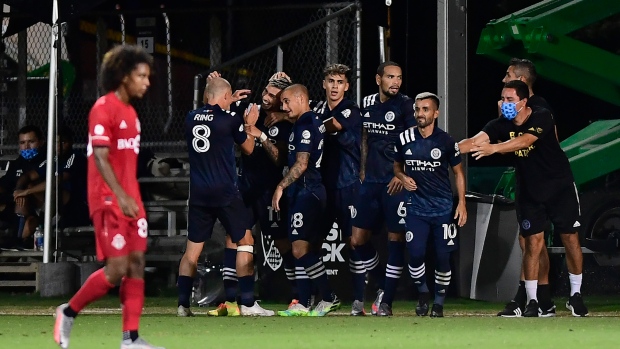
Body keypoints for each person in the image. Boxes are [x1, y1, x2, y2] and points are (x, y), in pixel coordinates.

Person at [53, 45, 164, 349]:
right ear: (124, 76)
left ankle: (130, 339)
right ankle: (68, 311)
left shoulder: (132, 113)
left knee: (138, 262)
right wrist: (120, 196)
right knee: (117, 269)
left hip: (131, 199)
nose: (147, 82)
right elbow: (101, 159)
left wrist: (132, 197)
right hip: (107, 199)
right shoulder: (103, 108)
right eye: (141, 75)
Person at [458, 80, 588, 317]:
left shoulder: (542, 116)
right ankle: (532, 301)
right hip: (529, 191)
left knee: (570, 238)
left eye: (509, 100)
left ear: (523, 102)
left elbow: (526, 141)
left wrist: (495, 149)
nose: (504, 104)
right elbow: (476, 141)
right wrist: (446, 149)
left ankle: (576, 295)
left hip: (559, 188)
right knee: (532, 244)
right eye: (502, 99)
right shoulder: (500, 125)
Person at [176, 76, 275, 317]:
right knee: (245, 241)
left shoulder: (191, 117)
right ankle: (249, 303)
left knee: (192, 251)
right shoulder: (230, 119)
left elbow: (210, 103)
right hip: (225, 193)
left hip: (199, 195)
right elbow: (249, 149)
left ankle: (182, 305)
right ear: (224, 98)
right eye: (228, 97)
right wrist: (249, 125)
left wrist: (224, 93)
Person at [247, 84, 339, 316]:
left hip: (307, 191)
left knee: (299, 249)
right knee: (303, 248)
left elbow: (301, 163)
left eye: (287, 102)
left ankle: (329, 297)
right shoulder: (305, 122)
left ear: (300, 99)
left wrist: (280, 186)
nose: (284, 107)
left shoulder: (306, 124)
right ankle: (304, 302)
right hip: (306, 192)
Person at [393, 92, 467, 318]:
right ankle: (423, 293)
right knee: (415, 255)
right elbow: (396, 167)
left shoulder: (446, 141)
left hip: (443, 209)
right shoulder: (404, 138)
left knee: (443, 257)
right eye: (417, 109)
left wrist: (461, 203)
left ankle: (439, 303)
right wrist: (403, 178)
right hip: (415, 208)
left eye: (425, 110)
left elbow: (458, 173)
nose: (420, 114)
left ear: (436, 113)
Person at [351, 61, 415, 316]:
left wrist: (403, 174)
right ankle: (379, 282)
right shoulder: (367, 104)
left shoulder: (405, 105)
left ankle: (387, 300)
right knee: (357, 240)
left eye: (399, 77)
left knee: (395, 238)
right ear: (378, 79)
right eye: (390, 77)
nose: (396, 82)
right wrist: (363, 171)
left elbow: (414, 142)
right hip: (371, 182)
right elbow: (365, 137)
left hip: (395, 184)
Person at [495, 58, 557, 317]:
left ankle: (526, 298)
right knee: (530, 242)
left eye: (508, 74)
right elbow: (502, 133)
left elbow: (544, 141)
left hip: (542, 184)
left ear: (520, 80)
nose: (503, 78)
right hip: (526, 180)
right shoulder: (511, 107)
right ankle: (543, 298)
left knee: (532, 241)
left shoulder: (538, 107)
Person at [312, 63, 367, 315]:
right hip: (323, 187)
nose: (335, 86)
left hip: (348, 185)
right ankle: (324, 296)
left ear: (346, 86)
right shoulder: (318, 110)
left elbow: (332, 125)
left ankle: (359, 299)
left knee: (353, 243)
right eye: (331, 81)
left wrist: (308, 122)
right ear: (324, 84)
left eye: (339, 82)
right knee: (310, 243)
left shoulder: (350, 110)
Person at [13, 127, 89, 230]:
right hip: (54, 205)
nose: (58, 146)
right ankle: (20, 233)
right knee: (29, 185)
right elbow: (28, 176)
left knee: (54, 191)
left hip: (77, 207)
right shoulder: (53, 159)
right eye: (55, 142)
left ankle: (47, 220)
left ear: (71, 142)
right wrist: (19, 190)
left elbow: (57, 180)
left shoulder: (76, 157)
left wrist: (27, 192)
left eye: (63, 142)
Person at [0, 125, 46, 247]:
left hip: (39, 211)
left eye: (31, 142)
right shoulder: (16, 163)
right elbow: (5, 183)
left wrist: (22, 192)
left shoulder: (48, 161)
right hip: (14, 206)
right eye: (22, 143)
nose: (26, 147)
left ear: (41, 142)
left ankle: (17, 241)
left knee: (23, 196)